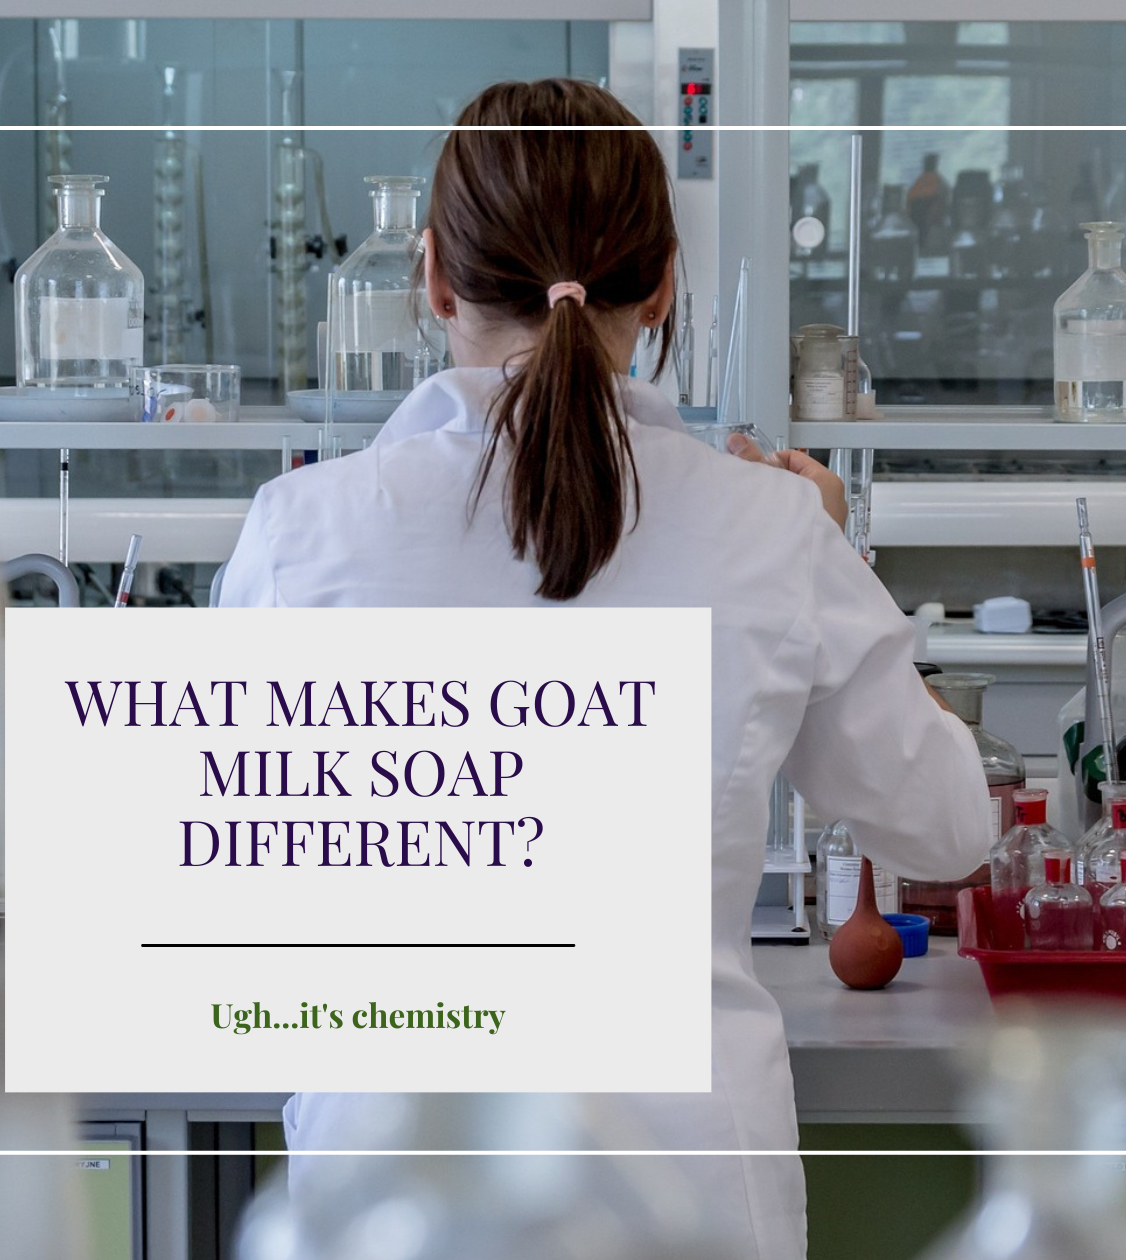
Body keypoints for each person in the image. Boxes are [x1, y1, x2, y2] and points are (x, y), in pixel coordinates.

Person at [216, 79, 992, 1259]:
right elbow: (946, 830)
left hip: (388, 1197)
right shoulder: (772, 530)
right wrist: (841, 554)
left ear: (432, 280)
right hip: (689, 1190)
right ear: (664, 284)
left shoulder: (300, 531)